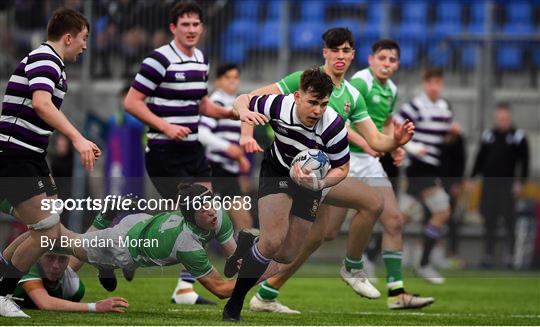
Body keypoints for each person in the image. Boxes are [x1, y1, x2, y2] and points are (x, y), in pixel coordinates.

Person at [247, 33, 428, 313]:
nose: (340, 55)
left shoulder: (352, 94)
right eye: (335, 50)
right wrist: (243, 125)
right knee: (371, 204)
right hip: (296, 168)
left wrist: (395, 142)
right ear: (325, 53)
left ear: (353, 55)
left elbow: (376, 138)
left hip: (324, 170)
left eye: (346, 50)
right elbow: (253, 99)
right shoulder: (305, 79)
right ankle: (353, 267)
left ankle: (266, 293)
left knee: (318, 237)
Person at [123, 1, 237, 305]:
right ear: (173, 28)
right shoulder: (158, 60)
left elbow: (202, 105)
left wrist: (232, 114)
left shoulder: (201, 58)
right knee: (189, 218)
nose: (191, 30)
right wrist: (166, 127)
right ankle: (129, 252)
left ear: (202, 27)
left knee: (208, 217)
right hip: (164, 151)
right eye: (184, 24)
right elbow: (132, 102)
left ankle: (183, 289)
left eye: (195, 24)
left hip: (193, 150)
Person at [222, 67, 352, 321]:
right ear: (297, 96)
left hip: (311, 184)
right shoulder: (277, 105)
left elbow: (343, 167)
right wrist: (246, 115)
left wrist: (320, 184)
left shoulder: (333, 125)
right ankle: (234, 303)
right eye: (313, 102)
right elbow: (242, 100)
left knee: (287, 255)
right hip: (277, 171)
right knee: (272, 241)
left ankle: (247, 246)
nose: (318, 110)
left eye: (324, 104)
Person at [0, 8, 101, 318]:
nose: (85, 46)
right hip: (14, 154)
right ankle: (3, 293)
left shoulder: (53, 63)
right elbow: (42, 104)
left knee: (51, 226)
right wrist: (77, 138)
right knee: (45, 227)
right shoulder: (45, 59)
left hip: (33, 157)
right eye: (83, 38)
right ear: (68, 37)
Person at [397, 68, 460, 284]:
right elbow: (396, 127)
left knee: (399, 220)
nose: (434, 86)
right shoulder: (415, 106)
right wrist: (413, 148)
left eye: (438, 82)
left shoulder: (444, 109)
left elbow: (444, 142)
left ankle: (368, 255)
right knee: (442, 210)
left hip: (432, 167)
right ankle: (424, 263)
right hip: (419, 167)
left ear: (441, 84)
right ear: (425, 84)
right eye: (430, 82)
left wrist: (452, 135)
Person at [471, 103, 529, 268]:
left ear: (509, 118)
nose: (502, 121)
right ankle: (488, 255)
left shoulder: (518, 136)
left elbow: (524, 161)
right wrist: (472, 177)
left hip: (507, 185)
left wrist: (520, 182)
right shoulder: (489, 135)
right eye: (499, 118)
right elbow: (479, 158)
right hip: (489, 185)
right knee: (489, 220)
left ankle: (510, 256)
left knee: (509, 220)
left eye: (505, 118)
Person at [199, 63, 253, 231]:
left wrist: (239, 158)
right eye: (227, 78)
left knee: (244, 221)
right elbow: (201, 133)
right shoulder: (216, 102)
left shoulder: (236, 104)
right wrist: (228, 148)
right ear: (217, 82)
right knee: (205, 222)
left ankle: (243, 257)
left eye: (235, 77)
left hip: (228, 171)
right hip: (214, 169)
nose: (232, 81)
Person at [11, 252, 128, 313]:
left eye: (62, 259)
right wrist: (95, 307)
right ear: (38, 257)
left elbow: (84, 245)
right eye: (50, 258)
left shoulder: (73, 286)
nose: (56, 265)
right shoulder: (28, 266)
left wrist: (103, 220)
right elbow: (45, 303)